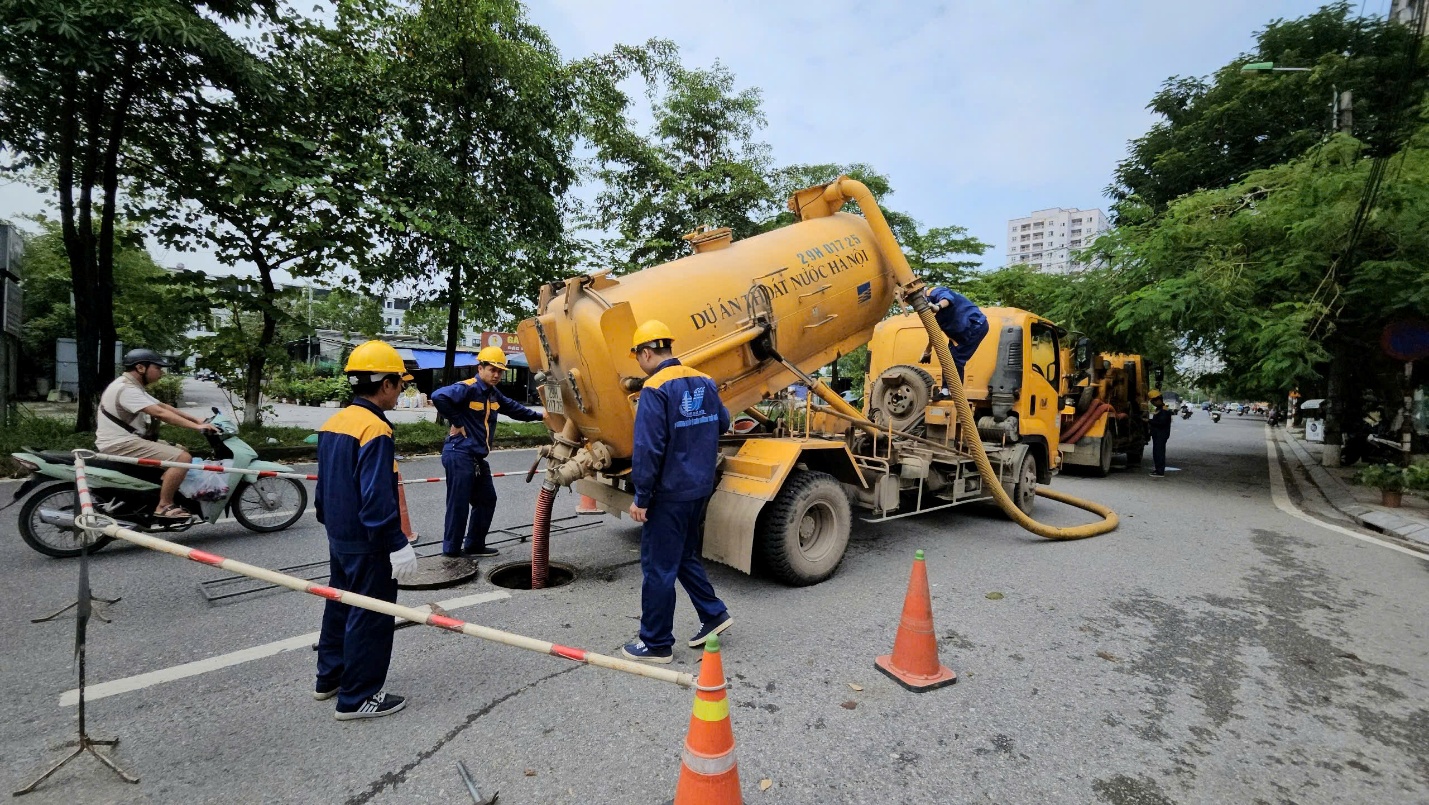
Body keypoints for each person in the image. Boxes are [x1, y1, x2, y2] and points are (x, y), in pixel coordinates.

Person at [313, 341, 418, 720]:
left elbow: (323, 486)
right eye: (400, 384)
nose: (401, 391)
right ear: (385, 384)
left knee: (339, 605)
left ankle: (331, 678)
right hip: (368, 540)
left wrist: (329, 520)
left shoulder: (335, 421)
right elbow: (376, 496)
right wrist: (397, 543)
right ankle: (358, 697)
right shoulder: (375, 428)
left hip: (340, 535)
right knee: (371, 614)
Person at [621, 320, 733, 664]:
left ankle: (655, 643)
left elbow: (648, 448)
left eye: (638, 357)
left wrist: (641, 497)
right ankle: (713, 614)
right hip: (699, 487)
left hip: (669, 494)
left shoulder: (654, 388)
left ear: (647, 352)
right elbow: (724, 423)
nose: (639, 364)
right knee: (683, 556)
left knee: (657, 566)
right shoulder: (703, 380)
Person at [430, 346, 545, 558]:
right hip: (459, 453)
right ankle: (451, 552)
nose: (496, 375)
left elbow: (515, 409)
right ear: (480, 367)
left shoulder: (493, 394)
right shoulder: (468, 388)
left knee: (486, 499)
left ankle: (474, 545)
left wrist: (543, 416)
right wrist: (457, 420)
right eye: (492, 369)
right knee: (459, 504)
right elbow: (438, 396)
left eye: (500, 371)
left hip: (476, 457)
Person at [96, 349, 219, 520]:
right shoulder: (126, 389)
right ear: (140, 368)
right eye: (158, 368)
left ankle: (157, 493)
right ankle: (164, 506)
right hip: (120, 443)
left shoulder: (130, 385)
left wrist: (197, 419)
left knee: (179, 449)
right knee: (182, 458)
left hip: (125, 440)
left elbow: (163, 407)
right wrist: (196, 427)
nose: (161, 372)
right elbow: (160, 414)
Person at [920, 286, 989, 389]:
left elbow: (947, 299)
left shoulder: (935, 292)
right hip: (961, 333)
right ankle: (945, 391)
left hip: (974, 326)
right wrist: (928, 350)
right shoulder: (933, 312)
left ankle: (953, 392)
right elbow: (934, 331)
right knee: (948, 357)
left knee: (955, 359)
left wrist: (937, 306)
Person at [1148, 392, 1173, 478]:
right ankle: (1158, 469)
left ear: (1158, 399)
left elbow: (1161, 423)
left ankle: (1160, 471)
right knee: (1157, 452)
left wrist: (1149, 421)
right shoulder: (1159, 409)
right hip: (1158, 434)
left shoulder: (1164, 410)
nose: (1153, 403)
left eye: (1153, 401)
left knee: (1159, 452)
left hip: (1161, 435)